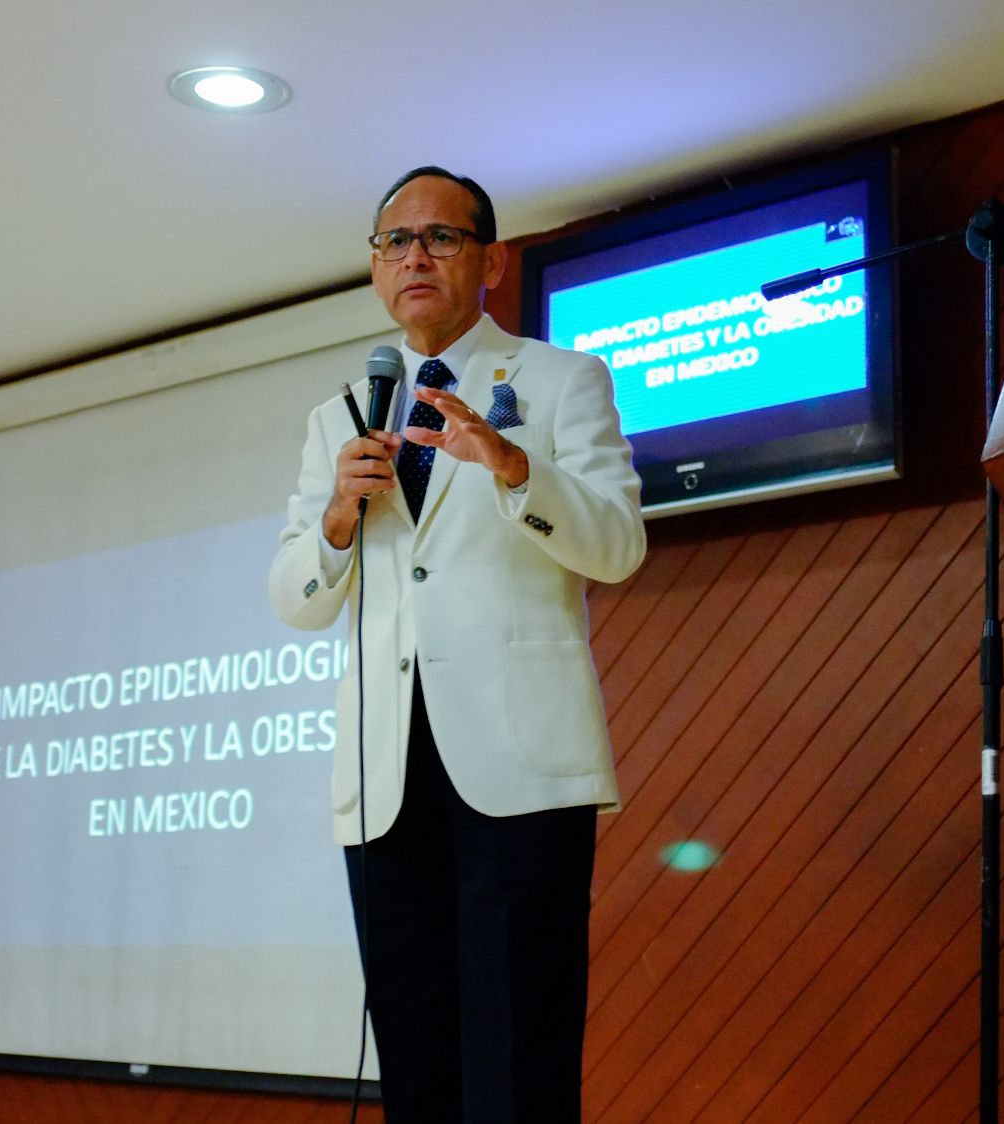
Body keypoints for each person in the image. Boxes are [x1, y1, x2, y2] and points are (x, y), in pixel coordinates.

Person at [268, 166, 646, 1122]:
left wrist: (514, 465)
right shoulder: (340, 417)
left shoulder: (561, 380)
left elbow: (618, 546)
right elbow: (296, 599)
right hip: (386, 774)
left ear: (492, 260)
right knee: (417, 1053)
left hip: (518, 765)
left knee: (520, 1053)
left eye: (438, 238)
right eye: (393, 243)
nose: (414, 258)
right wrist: (339, 523)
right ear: (374, 269)